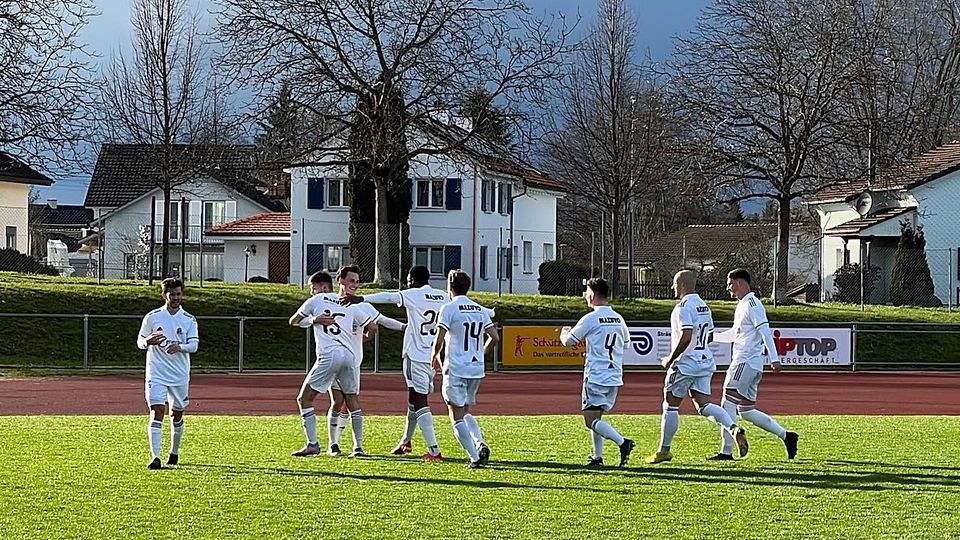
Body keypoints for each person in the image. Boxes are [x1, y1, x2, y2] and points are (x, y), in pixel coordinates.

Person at [340, 265, 452, 461]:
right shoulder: (443, 296)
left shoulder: (414, 294)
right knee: (414, 399)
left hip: (415, 355)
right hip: (432, 355)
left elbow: (389, 297)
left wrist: (362, 298)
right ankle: (406, 441)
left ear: (412, 280)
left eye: (408, 280)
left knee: (420, 401)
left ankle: (434, 450)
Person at [645, 269, 749, 464]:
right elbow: (708, 335)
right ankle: (733, 428)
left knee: (670, 405)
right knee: (704, 405)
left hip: (685, 363)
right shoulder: (704, 306)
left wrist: (670, 358)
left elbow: (686, 335)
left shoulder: (683, 307)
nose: (673, 287)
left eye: (675, 283)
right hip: (705, 361)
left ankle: (664, 450)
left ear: (682, 284)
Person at [710, 268, 799, 460]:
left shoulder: (752, 304)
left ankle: (726, 451)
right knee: (746, 411)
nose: (728, 288)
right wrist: (712, 336)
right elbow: (735, 334)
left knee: (727, 403)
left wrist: (774, 358)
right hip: (751, 364)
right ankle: (787, 436)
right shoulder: (743, 305)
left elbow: (765, 331)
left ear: (739, 283)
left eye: (730, 284)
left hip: (745, 361)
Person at [288, 269, 377, 458]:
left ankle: (313, 444)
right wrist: (365, 338)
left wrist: (314, 319)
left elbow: (293, 321)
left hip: (330, 355)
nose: (312, 292)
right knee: (352, 401)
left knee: (304, 399)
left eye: (313, 288)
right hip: (349, 357)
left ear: (322, 287)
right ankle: (358, 448)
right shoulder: (348, 302)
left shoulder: (316, 300)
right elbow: (372, 326)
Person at [326, 266, 405, 457]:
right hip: (333, 360)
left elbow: (381, 322)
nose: (354, 285)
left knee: (351, 402)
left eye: (357, 281)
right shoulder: (331, 302)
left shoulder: (362, 305)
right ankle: (333, 444)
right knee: (337, 402)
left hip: (353, 362)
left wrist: (405, 328)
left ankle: (357, 446)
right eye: (351, 280)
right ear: (340, 280)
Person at [560, 278, 635, 468]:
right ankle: (597, 457)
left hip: (595, 375)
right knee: (597, 417)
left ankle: (622, 442)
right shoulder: (618, 318)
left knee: (590, 421)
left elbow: (569, 341)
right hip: (614, 374)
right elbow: (626, 345)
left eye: (587, 292)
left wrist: (563, 332)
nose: (585, 296)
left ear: (592, 294)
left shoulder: (591, 318)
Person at [431, 269, 498, 469]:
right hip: (475, 369)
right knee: (465, 410)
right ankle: (479, 443)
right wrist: (481, 354)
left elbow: (439, 339)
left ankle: (475, 458)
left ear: (450, 287)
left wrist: (433, 356)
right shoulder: (480, 309)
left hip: (456, 368)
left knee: (455, 414)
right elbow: (495, 337)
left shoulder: (449, 308)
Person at [137, 277, 199, 470]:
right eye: (172, 294)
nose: (176, 298)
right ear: (164, 295)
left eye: (178, 294)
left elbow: (194, 345)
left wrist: (180, 347)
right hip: (156, 373)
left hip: (179, 374)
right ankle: (155, 457)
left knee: (176, 414)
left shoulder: (188, 319)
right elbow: (140, 341)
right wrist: (147, 341)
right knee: (157, 411)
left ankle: (174, 452)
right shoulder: (152, 317)